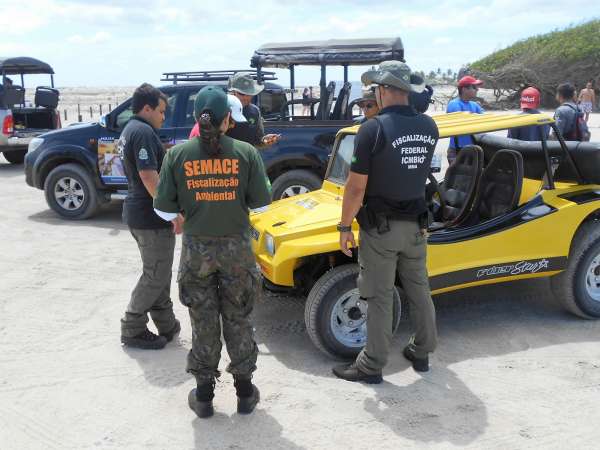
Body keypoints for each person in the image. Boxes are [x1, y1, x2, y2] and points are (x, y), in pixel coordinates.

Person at [154, 86, 272, 418]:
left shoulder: (177, 155)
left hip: (196, 251)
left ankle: (204, 396)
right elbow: (262, 202)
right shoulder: (246, 153)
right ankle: (245, 393)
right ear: (227, 120)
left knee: (203, 320)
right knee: (239, 318)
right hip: (236, 250)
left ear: (196, 118)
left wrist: (188, 211)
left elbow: (163, 209)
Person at [333, 61, 439, 384]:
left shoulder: (372, 129)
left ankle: (372, 364)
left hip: (381, 230)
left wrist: (344, 226)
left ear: (383, 90)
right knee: (420, 290)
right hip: (417, 229)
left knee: (379, 296)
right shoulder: (430, 127)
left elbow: (355, 187)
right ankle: (422, 351)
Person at [119, 83, 182, 350]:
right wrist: (171, 212)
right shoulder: (142, 132)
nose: (163, 117)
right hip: (149, 216)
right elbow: (147, 175)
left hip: (142, 213)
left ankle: (166, 323)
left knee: (160, 272)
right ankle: (132, 327)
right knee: (154, 274)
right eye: (161, 111)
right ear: (147, 109)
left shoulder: (132, 129)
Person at [228, 72, 280, 147]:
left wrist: (264, 141)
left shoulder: (255, 111)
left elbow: (258, 140)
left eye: (249, 93)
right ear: (233, 92)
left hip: (247, 157)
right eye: (241, 93)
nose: (246, 97)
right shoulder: (223, 109)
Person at [446, 75, 484, 164]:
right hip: (457, 150)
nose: (477, 90)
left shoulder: (474, 105)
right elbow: (461, 121)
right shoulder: (454, 104)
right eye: (474, 87)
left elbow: (485, 119)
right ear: (464, 89)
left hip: (473, 149)